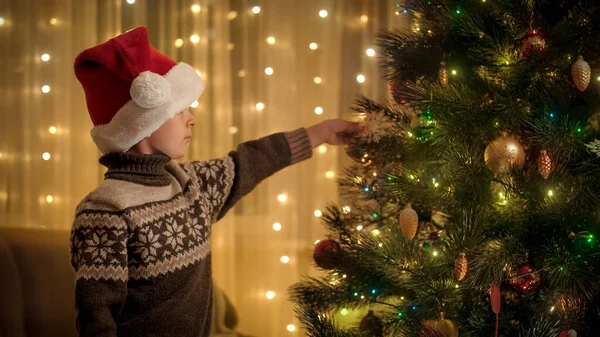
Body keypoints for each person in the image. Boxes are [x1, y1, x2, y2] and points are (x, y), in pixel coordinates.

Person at [70, 26, 362, 337]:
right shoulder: (106, 209)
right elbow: (97, 322)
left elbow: (251, 160)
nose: (191, 117)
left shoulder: (189, 184)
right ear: (144, 119)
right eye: (180, 109)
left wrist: (321, 132)